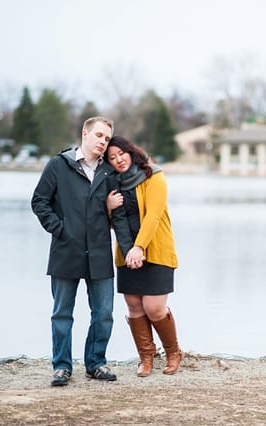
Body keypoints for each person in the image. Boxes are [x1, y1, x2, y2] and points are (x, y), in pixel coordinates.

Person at [31, 117, 133, 386]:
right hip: (66, 251)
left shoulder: (109, 172)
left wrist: (130, 248)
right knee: (62, 313)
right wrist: (61, 230)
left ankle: (96, 363)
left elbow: (119, 215)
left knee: (104, 313)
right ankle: (62, 367)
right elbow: (39, 202)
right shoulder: (58, 165)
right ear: (85, 134)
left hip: (99, 253)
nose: (103, 141)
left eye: (107, 138)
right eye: (99, 135)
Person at [105, 135, 182, 377]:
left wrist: (139, 247)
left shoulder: (154, 175)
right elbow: (111, 223)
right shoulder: (112, 183)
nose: (118, 160)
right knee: (134, 306)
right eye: (112, 158)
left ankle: (173, 352)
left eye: (121, 154)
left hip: (156, 250)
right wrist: (108, 206)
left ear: (131, 151)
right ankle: (146, 358)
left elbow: (153, 216)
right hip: (127, 253)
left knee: (154, 307)